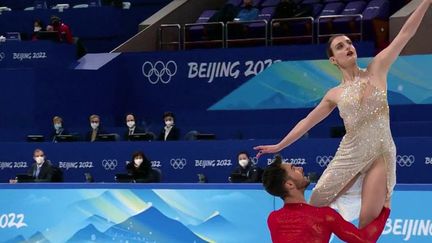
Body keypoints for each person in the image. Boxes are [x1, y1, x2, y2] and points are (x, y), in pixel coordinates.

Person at [255, 0, 432, 228]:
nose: (348, 47)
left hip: (381, 152)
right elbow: (307, 121)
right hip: (350, 155)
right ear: (333, 60)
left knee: (367, 224)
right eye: (340, 46)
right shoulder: (334, 94)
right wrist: (279, 146)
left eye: (349, 43)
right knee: (315, 205)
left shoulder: (376, 69)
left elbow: (405, 33)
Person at [263, 156, 390, 243]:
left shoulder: (273, 219)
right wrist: (385, 210)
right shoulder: (324, 216)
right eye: (294, 169)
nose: (300, 168)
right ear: (289, 184)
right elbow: (364, 240)